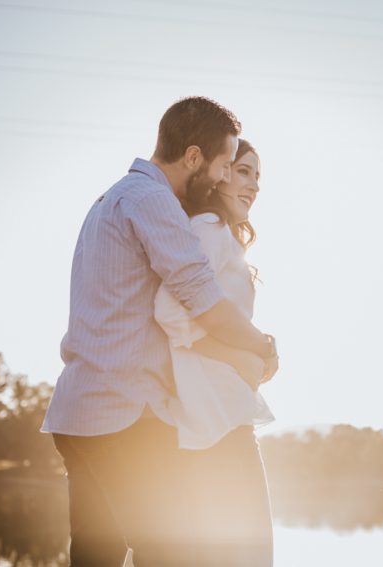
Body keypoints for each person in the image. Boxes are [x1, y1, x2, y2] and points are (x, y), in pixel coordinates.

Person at [41, 97, 279, 566]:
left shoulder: (109, 198)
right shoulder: (153, 201)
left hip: (77, 412)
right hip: (125, 415)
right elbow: (200, 297)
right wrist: (260, 347)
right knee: (168, 554)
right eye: (224, 165)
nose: (222, 178)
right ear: (193, 157)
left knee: (97, 556)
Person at [154, 139, 275, 565]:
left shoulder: (219, 236)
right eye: (243, 171)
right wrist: (240, 356)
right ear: (219, 174)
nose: (254, 185)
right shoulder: (209, 228)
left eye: (258, 176)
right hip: (218, 425)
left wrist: (258, 348)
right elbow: (169, 312)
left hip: (220, 421)